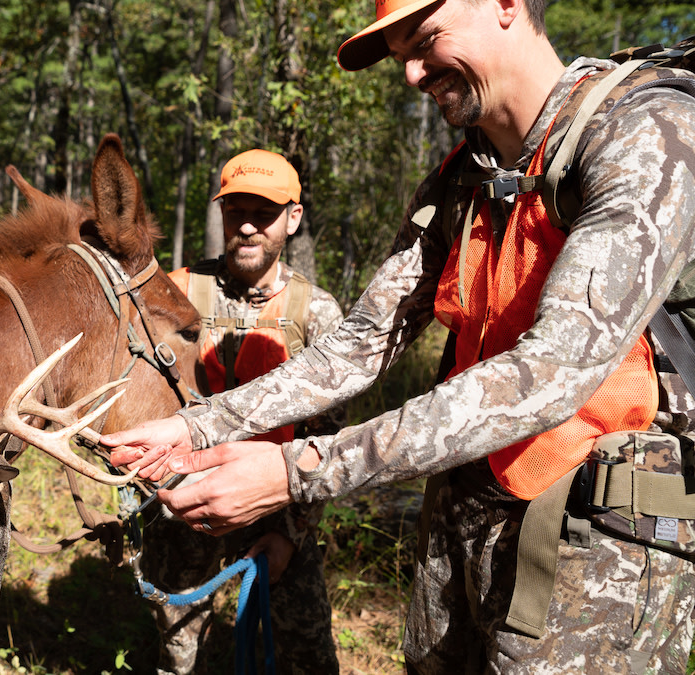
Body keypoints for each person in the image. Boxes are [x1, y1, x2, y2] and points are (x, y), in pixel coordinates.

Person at [103, 0, 695, 671]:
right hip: (461, 521)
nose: (412, 73)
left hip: (592, 544)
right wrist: (202, 426)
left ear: (506, 5)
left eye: (426, 40)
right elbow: (360, 343)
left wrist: (300, 473)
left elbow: (552, 370)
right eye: (400, 56)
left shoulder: (647, 131)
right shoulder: (461, 178)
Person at [144, 149, 344, 675]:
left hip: (275, 501)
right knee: (178, 647)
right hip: (182, 497)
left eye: (265, 212)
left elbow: (328, 440)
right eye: (236, 211)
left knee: (307, 651)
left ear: (293, 219)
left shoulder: (317, 313)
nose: (249, 226)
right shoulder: (177, 292)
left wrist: (291, 533)